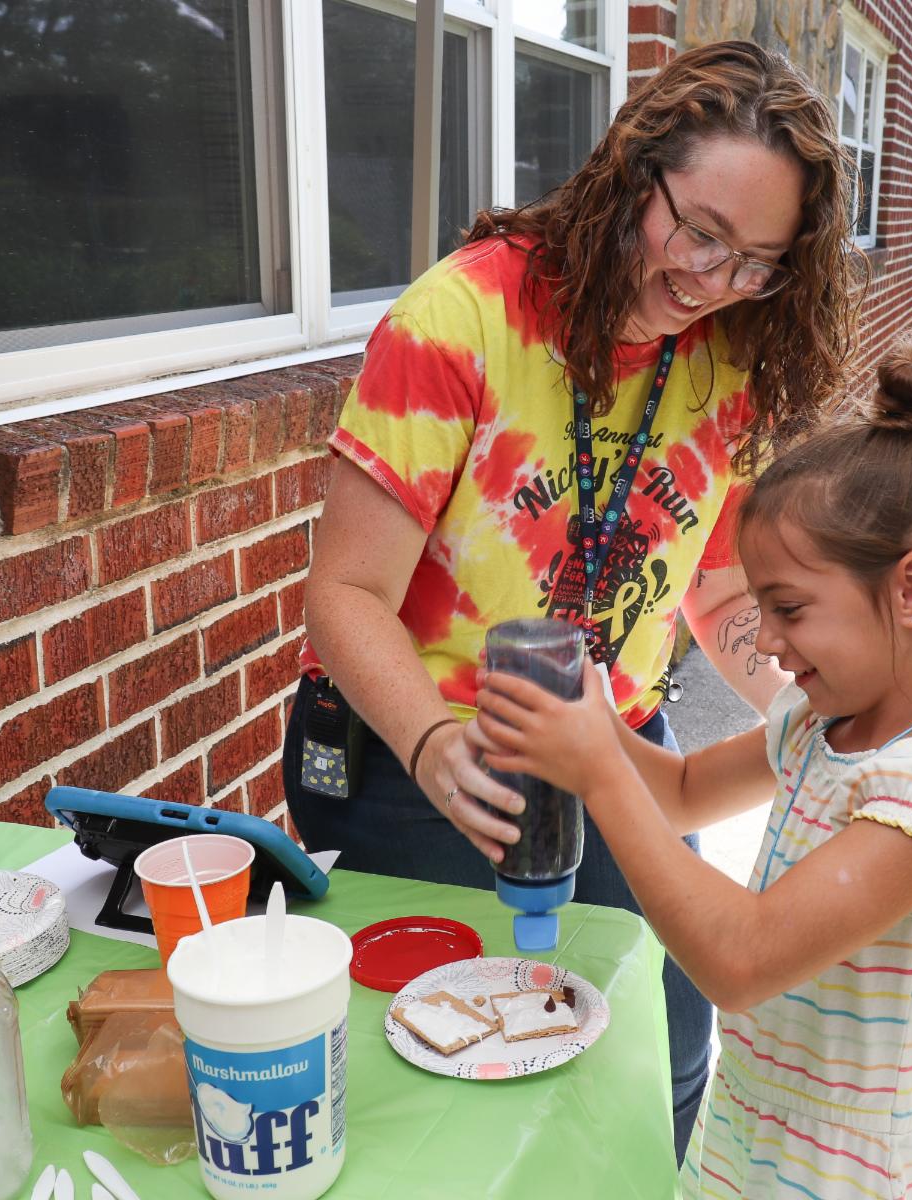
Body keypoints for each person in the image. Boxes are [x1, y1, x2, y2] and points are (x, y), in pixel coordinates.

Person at [282, 39, 862, 1164]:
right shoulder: (461, 320)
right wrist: (434, 741)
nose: (711, 282)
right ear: (632, 173)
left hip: (617, 744)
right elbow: (345, 594)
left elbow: (715, 582)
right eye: (698, 232)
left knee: (666, 1041)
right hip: (419, 750)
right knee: (462, 1078)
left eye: (757, 262)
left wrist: (833, 710)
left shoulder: (731, 355)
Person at [469, 339, 912, 1197]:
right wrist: (589, 717)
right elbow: (683, 793)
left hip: (841, 1172)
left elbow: (741, 961)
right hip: (739, 1139)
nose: (765, 639)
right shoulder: (821, 723)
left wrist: (598, 774)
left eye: (790, 608)